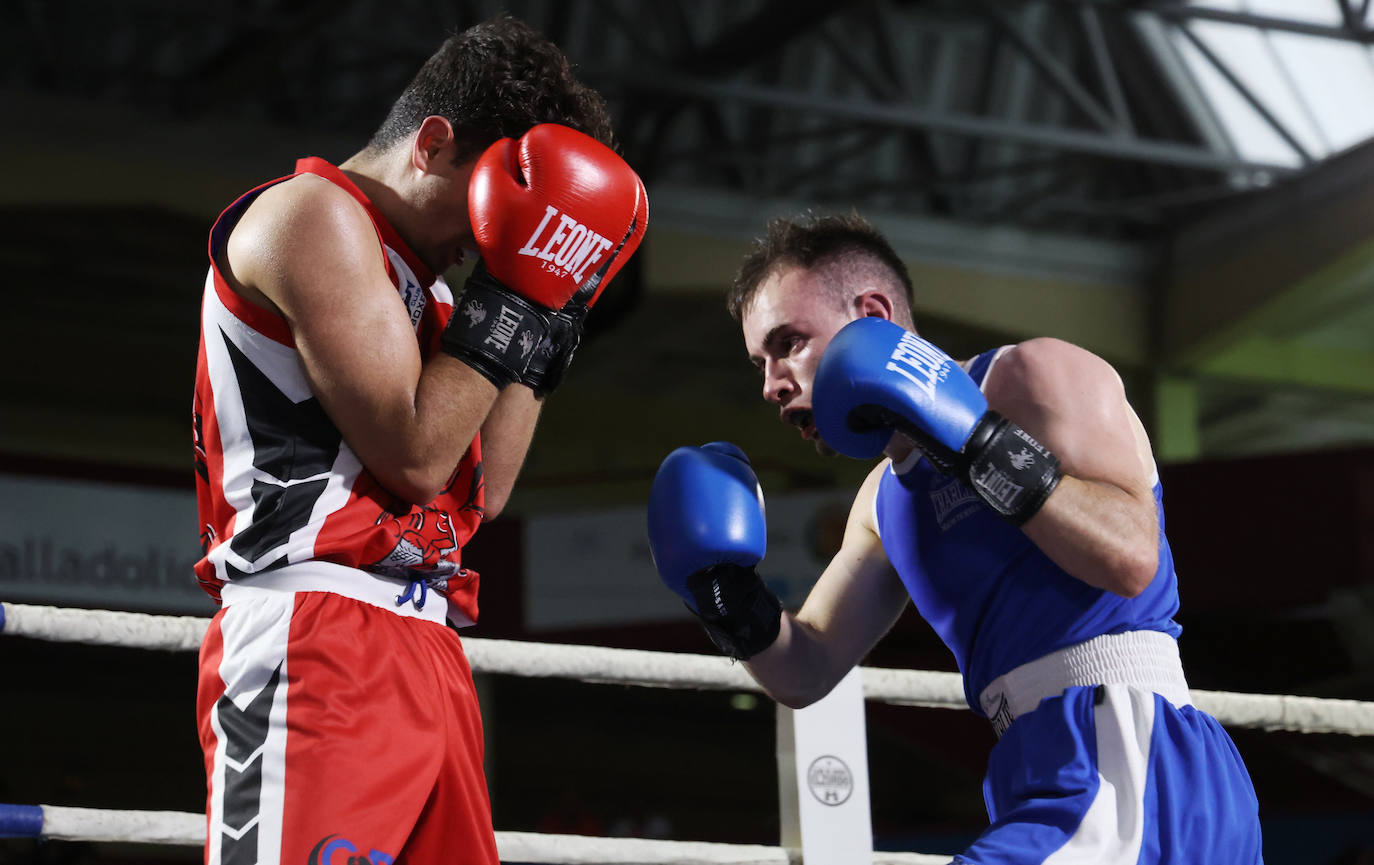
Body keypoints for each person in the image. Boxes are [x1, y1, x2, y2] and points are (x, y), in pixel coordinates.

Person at [647, 212, 1261, 864]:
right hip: (1043, 764)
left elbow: (1131, 556)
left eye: (787, 343)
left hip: (1134, 755)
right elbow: (807, 667)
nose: (771, 384)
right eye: (760, 363)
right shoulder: (882, 503)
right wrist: (726, 594)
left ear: (874, 313)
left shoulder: (1029, 377)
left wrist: (975, 442)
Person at [191, 17, 647, 865]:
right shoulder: (310, 217)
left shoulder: (432, 292)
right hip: (318, 634)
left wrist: (548, 314)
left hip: (429, 645)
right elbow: (414, 453)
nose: (485, 240)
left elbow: (485, 489)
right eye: (488, 206)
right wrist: (514, 292)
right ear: (433, 144)